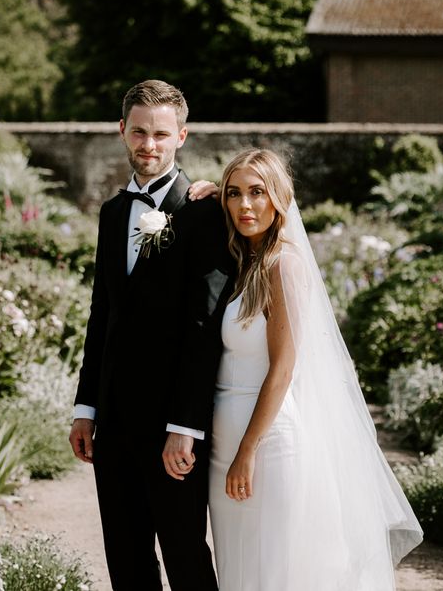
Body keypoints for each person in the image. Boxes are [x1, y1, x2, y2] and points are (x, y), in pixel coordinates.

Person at [209, 148, 423, 590]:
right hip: (222, 446)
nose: (245, 205)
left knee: (275, 572)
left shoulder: (283, 265)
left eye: (257, 192)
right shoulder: (242, 263)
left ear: (278, 198)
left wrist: (247, 451)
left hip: (265, 445)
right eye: (234, 194)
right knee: (237, 570)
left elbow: (283, 368)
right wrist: (208, 190)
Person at [68, 80, 234, 591]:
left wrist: (185, 425)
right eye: (139, 132)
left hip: (172, 425)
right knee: (125, 555)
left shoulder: (206, 212)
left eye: (161, 134)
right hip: (114, 420)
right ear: (122, 131)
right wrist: (85, 408)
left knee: (185, 553)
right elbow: (103, 314)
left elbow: (204, 328)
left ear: (181, 136)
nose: (149, 144)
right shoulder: (113, 213)